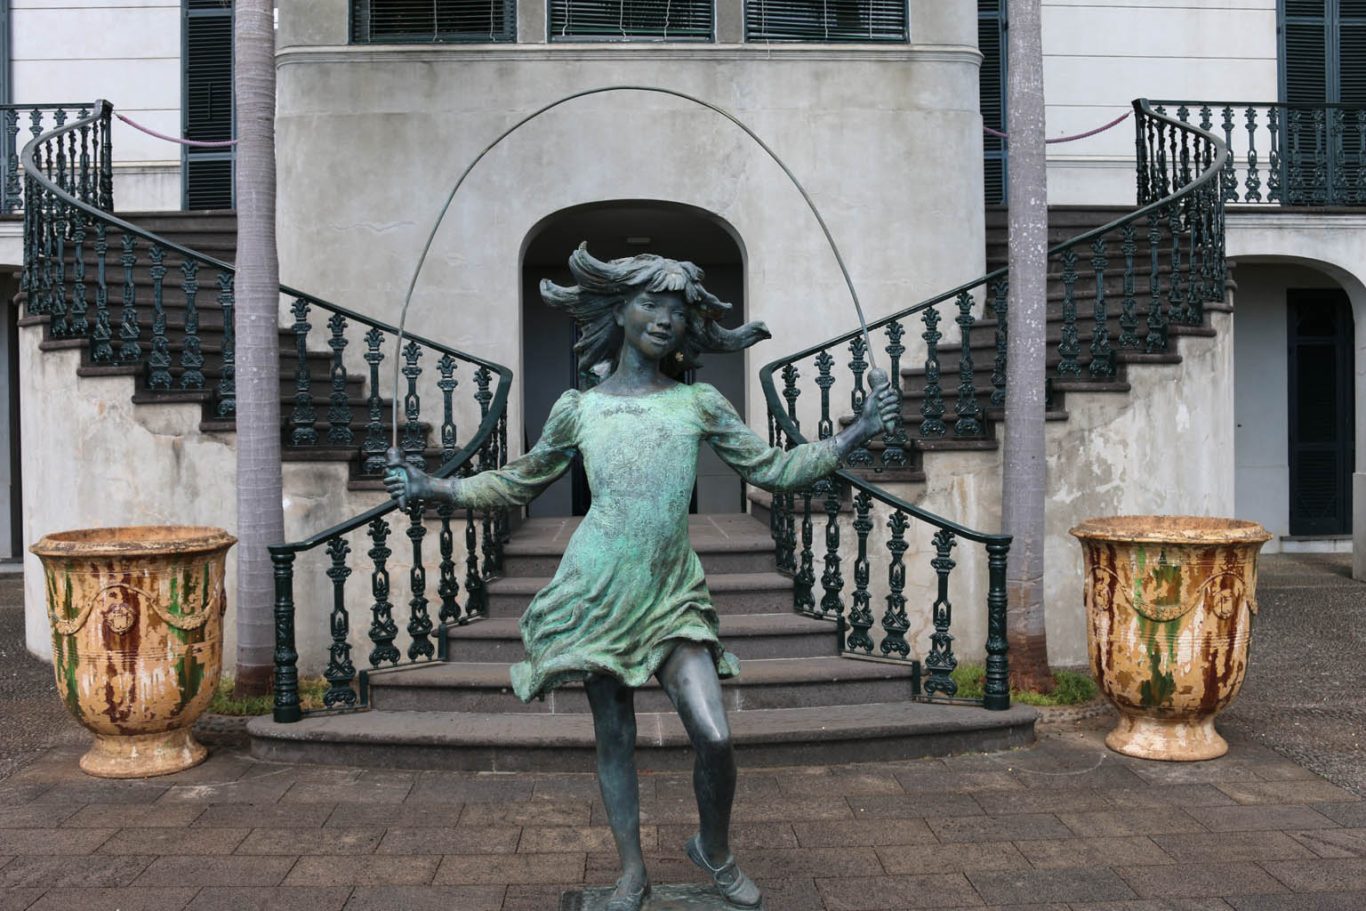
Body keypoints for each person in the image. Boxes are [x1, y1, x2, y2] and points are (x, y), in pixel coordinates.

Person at [385, 245, 897, 910]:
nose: (665, 318)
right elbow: (519, 480)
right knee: (615, 736)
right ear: (618, 310)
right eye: (650, 303)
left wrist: (856, 432)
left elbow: (774, 469)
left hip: (673, 593)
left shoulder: (698, 402)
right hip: (598, 589)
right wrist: (435, 486)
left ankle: (712, 847)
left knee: (714, 734)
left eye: (677, 309)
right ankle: (631, 873)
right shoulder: (580, 408)